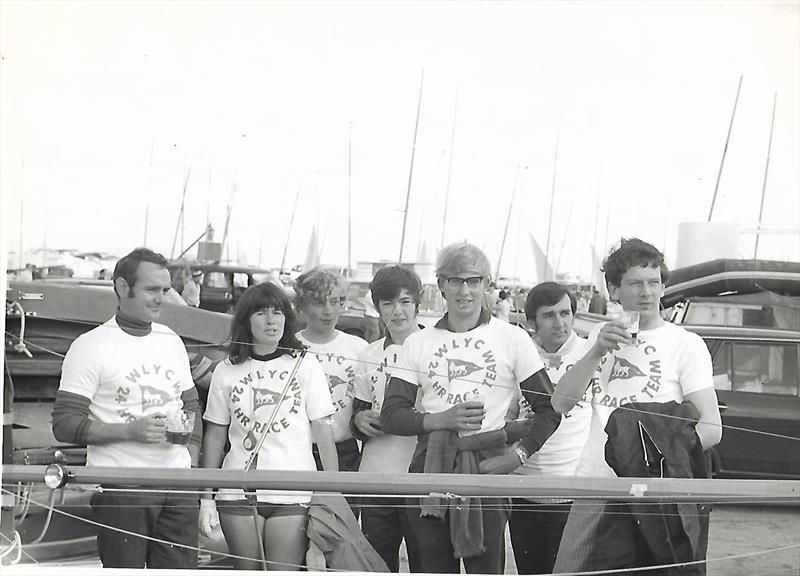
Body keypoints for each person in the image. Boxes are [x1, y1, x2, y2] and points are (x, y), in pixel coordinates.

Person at [381, 242, 561, 574]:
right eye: (455, 280)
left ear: (486, 284)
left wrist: (516, 456)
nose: (465, 290)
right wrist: (440, 419)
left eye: (474, 281)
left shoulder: (513, 338)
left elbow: (549, 410)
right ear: (441, 285)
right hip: (430, 466)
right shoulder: (417, 343)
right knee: (432, 568)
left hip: (488, 466)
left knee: (486, 568)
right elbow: (392, 415)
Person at [552, 238, 722, 573]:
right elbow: (559, 403)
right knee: (568, 569)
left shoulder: (685, 344)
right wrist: (596, 351)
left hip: (658, 491)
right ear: (614, 290)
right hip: (598, 482)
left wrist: (660, 460)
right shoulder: (599, 336)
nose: (647, 292)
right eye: (635, 283)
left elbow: (712, 427)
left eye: (654, 282)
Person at [51, 248, 202, 569]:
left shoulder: (171, 339)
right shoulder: (90, 346)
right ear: (122, 287)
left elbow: (190, 405)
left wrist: (194, 467)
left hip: (179, 486)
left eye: (165, 290)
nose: (161, 298)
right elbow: (64, 423)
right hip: (122, 487)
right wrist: (129, 431)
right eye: (152, 289)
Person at [198, 282, 338, 571]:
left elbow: (323, 429)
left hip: (293, 489)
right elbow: (215, 434)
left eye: (278, 312)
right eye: (261, 313)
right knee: (246, 570)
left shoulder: (305, 363)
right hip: (236, 490)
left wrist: (334, 490)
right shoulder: (226, 368)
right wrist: (206, 497)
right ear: (246, 320)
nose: (271, 320)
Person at [507, 282, 592, 574]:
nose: (560, 323)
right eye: (549, 315)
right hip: (523, 490)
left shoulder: (590, 353)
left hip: (573, 492)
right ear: (533, 321)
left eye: (565, 313)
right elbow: (506, 413)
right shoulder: (519, 355)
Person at [351, 266, 424, 572]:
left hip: (421, 477)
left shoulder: (434, 348)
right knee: (378, 565)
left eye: (405, 302)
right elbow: (358, 412)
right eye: (389, 303)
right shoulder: (367, 354)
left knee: (426, 563)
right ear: (378, 307)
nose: (398, 311)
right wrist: (360, 421)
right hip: (376, 476)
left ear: (417, 304)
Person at [294, 266, 368, 475]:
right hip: (299, 453)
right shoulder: (290, 348)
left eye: (335, 301)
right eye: (319, 303)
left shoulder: (359, 348)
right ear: (302, 307)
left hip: (346, 451)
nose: (328, 310)